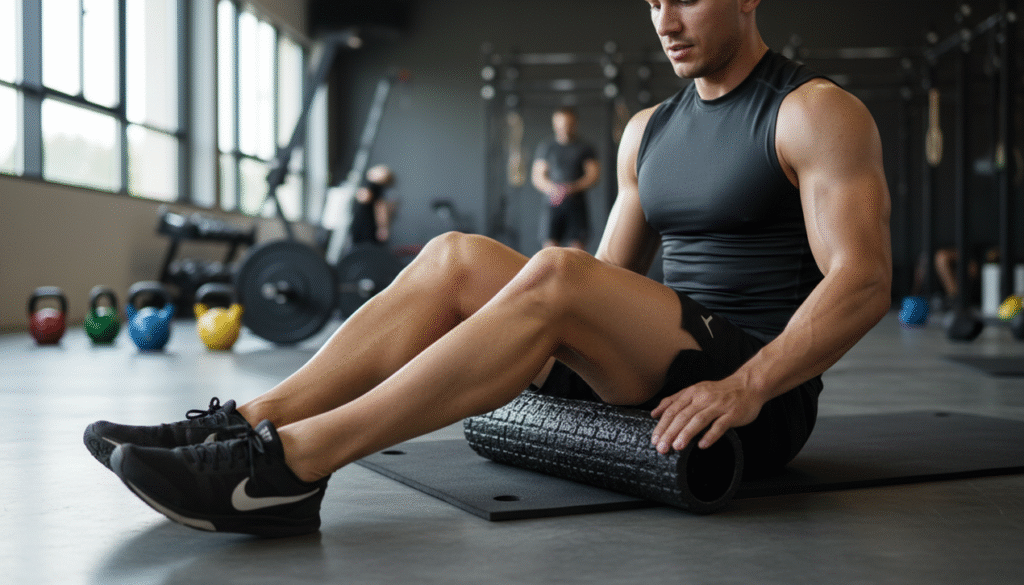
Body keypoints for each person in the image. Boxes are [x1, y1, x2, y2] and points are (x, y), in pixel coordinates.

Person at [84, 0, 891, 537]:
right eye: (651, 1)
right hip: (659, 365)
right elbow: (607, 286)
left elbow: (862, 278)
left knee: (557, 271)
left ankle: (293, 463)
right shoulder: (649, 131)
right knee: (455, 256)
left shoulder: (812, 110)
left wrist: (746, 386)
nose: (666, 20)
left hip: (754, 394)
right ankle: (248, 421)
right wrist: (522, 329)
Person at [531, 107, 601, 250]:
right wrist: (552, 188)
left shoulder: (585, 148)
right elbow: (538, 177)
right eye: (561, 125)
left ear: (575, 124)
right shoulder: (547, 147)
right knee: (550, 251)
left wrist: (571, 188)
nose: (564, 128)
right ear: (555, 124)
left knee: (577, 254)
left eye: (568, 124)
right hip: (552, 207)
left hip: (576, 207)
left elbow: (593, 175)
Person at [349, 164, 396, 245]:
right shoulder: (369, 185)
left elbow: (379, 207)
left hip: (367, 227)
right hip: (361, 224)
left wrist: (382, 228)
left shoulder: (375, 187)